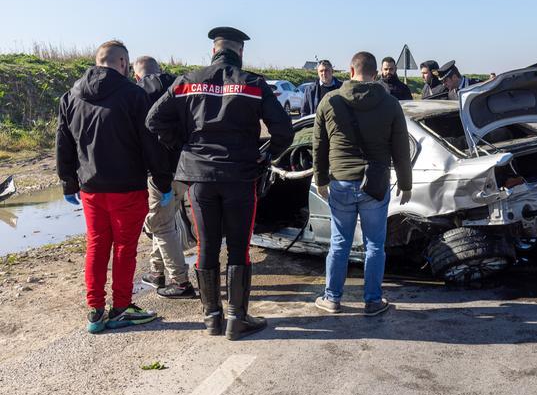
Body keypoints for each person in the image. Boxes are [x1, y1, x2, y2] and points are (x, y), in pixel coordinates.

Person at [147, 27, 292, 340]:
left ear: (213, 51)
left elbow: (153, 120)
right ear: (239, 53)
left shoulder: (186, 81)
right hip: (240, 175)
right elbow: (285, 131)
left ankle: (211, 317)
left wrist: (185, 145)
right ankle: (236, 318)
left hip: (199, 178)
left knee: (207, 246)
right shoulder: (253, 83)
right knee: (239, 248)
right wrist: (266, 158)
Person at [56, 40, 172, 333]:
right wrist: (162, 179)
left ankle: (95, 311)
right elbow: (150, 141)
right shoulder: (134, 95)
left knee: (96, 245)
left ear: (98, 61)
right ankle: (121, 307)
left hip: (91, 188)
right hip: (127, 187)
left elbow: (63, 142)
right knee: (124, 248)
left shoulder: (71, 96)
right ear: (122, 63)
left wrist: (68, 183)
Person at [312, 51, 413, 316]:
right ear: (375, 73)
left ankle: (332, 298)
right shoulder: (391, 104)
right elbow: (401, 148)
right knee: (374, 245)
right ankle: (372, 301)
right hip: (375, 186)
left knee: (339, 243)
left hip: (341, 183)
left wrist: (320, 178)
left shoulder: (329, 101)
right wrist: (406, 183)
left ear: (350, 70)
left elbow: (319, 145)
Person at [132, 56, 195, 299]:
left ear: (137, 75)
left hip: (159, 172)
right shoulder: (180, 86)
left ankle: (180, 282)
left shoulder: (137, 93)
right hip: (186, 166)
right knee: (164, 219)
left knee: (160, 224)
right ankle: (156, 272)